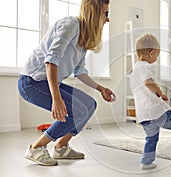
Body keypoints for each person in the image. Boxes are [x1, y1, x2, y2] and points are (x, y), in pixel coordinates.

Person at [18, 0, 115, 166]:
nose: (107, 19)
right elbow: (51, 60)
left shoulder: (84, 36)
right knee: (75, 110)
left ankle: (61, 147)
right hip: (31, 82)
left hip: (48, 82)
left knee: (89, 104)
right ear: (94, 12)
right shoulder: (70, 25)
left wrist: (101, 88)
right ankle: (36, 148)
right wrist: (57, 99)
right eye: (105, 13)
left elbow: (80, 72)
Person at [130, 34, 171, 170]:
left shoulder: (134, 71)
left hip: (143, 115)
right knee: (170, 120)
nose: (156, 59)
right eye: (156, 56)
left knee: (151, 138)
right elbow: (148, 82)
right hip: (153, 110)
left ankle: (146, 162)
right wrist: (160, 92)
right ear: (151, 53)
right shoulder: (146, 67)